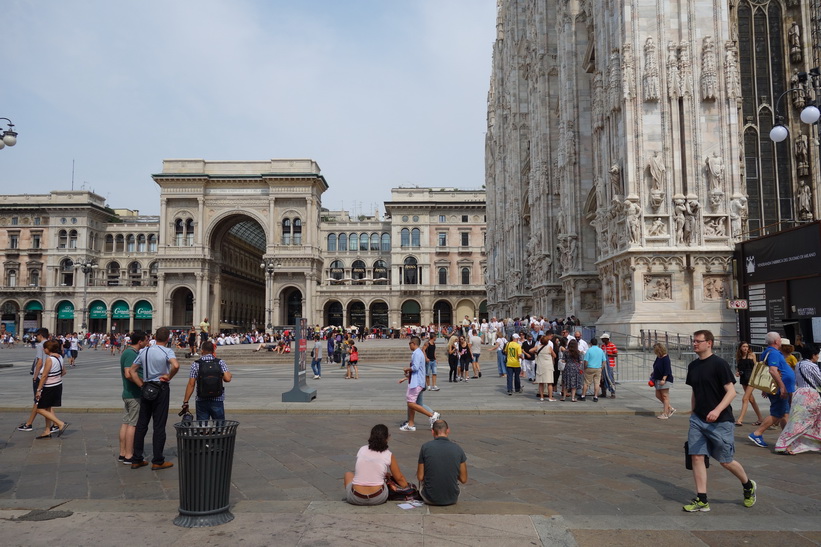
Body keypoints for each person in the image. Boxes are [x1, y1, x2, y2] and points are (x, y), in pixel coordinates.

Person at [683, 329, 756, 512]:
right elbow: (695, 391)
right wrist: (693, 412)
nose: (695, 344)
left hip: (721, 420)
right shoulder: (693, 366)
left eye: (698, 341)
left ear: (709, 343)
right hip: (698, 419)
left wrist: (716, 410)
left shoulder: (719, 364)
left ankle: (748, 485)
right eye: (694, 341)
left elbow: (731, 392)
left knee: (725, 460)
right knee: (697, 456)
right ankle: (702, 499)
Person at [129, 327, 180, 470]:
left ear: (155, 337)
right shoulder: (167, 351)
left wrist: (141, 385)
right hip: (161, 388)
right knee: (159, 425)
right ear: (168, 338)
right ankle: (158, 460)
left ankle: (137, 458)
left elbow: (132, 371)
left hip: (146, 388)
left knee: (142, 424)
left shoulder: (144, 351)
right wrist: (169, 376)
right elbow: (176, 365)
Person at [749, 332, 796, 448]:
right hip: (780, 389)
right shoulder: (774, 353)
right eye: (780, 339)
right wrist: (782, 386)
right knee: (777, 414)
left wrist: (766, 387)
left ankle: (787, 439)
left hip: (779, 388)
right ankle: (757, 433)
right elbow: (772, 370)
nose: (781, 340)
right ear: (776, 341)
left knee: (784, 414)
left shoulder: (769, 352)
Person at [343, 424, 410, 505]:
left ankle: (350, 496)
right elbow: (399, 478)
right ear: (387, 438)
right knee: (384, 479)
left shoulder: (362, 449)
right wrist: (407, 487)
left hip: (356, 498)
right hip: (378, 498)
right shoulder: (388, 454)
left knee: (348, 474)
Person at [775, 344, 821, 454]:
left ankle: (789, 444)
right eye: (817, 354)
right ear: (813, 355)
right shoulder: (812, 366)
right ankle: (783, 444)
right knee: (804, 422)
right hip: (810, 395)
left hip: (799, 393)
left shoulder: (799, 364)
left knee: (798, 420)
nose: (818, 357)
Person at [417, 420, 467, 506]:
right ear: (448, 430)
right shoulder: (458, 448)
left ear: (432, 432)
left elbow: (420, 476)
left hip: (430, 498)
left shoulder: (425, 447)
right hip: (452, 498)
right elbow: (463, 479)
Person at [18, 328, 58, 434]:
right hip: (51, 375)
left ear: (40, 335)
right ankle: (54, 424)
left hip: (42, 375)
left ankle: (29, 424)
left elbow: (39, 362)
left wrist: (35, 377)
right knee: (46, 403)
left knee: (38, 400)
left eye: (36, 335)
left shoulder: (41, 345)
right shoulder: (51, 343)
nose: (36, 337)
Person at [182, 340, 232, 420]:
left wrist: (186, 401)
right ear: (213, 350)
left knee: (202, 426)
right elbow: (227, 379)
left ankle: (204, 432)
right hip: (217, 398)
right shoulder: (220, 362)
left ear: (202, 351)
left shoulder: (196, 364)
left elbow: (191, 384)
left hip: (201, 399)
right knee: (219, 426)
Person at [399, 336, 440, 432]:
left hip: (416, 382)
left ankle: (432, 415)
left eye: (409, 343)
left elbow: (415, 367)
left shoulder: (416, 353)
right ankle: (411, 424)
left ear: (413, 343)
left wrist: (407, 369)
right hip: (418, 381)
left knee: (410, 403)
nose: (409, 345)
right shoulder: (418, 353)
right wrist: (407, 376)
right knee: (415, 403)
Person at [119, 331, 147, 464]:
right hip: (134, 394)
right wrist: (142, 385)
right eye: (146, 340)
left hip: (128, 393)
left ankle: (123, 452)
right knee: (133, 425)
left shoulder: (130, 352)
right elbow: (128, 374)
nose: (147, 342)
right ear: (140, 341)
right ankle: (129, 455)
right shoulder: (130, 353)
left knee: (126, 423)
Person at [33, 339, 70, 439]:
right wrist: (56, 376)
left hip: (49, 387)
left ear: (48, 349)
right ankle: (47, 430)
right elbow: (64, 372)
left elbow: (44, 376)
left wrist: (38, 390)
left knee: (40, 409)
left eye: (45, 348)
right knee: (48, 408)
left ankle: (59, 423)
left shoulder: (50, 359)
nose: (44, 349)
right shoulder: (60, 357)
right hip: (58, 385)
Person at [734, 341, 763, 427]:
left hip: (751, 378)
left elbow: (756, 366)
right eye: (743, 346)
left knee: (745, 398)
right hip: (743, 379)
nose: (745, 348)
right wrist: (737, 373)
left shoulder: (752, 355)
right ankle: (760, 418)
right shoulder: (739, 357)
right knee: (751, 399)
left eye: (746, 346)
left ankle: (740, 420)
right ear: (740, 348)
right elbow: (738, 368)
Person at [650, 342, 675, 419]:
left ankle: (665, 413)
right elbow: (656, 366)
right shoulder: (659, 357)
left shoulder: (666, 358)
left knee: (665, 396)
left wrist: (664, 379)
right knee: (658, 395)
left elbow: (667, 370)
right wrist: (653, 373)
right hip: (657, 378)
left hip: (665, 379)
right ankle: (670, 408)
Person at [581, 337, 606, 402]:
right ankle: (595, 396)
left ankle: (583, 395)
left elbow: (586, 360)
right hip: (598, 368)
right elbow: (604, 361)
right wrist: (601, 368)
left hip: (590, 367)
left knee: (586, 382)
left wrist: (585, 367)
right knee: (597, 383)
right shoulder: (600, 350)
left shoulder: (589, 350)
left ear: (590, 343)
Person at [534, 334, 557, 402]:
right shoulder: (549, 347)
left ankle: (541, 397)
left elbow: (530, 350)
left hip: (540, 365)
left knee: (541, 382)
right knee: (549, 382)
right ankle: (550, 397)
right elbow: (555, 355)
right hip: (548, 366)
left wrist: (537, 353)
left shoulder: (538, 346)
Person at [600, 333, 618, 398]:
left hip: (610, 364)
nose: (601, 340)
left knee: (610, 378)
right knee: (603, 378)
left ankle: (613, 393)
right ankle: (603, 392)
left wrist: (608, 355)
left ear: (606, 339)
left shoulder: (612, 345)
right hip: (604, 364)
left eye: (603, 339)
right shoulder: (602, 346)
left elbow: (616, 354)